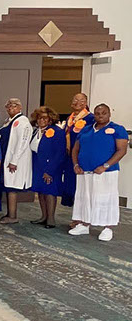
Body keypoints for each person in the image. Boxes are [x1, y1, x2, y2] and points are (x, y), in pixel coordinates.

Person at [69, 104, 127, 241]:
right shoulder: (86, 129)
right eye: (97, 113)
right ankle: (84, 224)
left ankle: (107, 228)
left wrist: (105, 166)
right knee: (85, 198)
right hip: (84, 172)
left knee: (105, 198)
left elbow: (122, 150)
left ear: (109, 114)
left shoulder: (118, 129)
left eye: (104, 113)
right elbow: (75, 149)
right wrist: (76, 164)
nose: (100, 116)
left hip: (105, 172)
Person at [29, 107, 66, 228]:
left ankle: (51, 219)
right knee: (41, 191)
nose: (41, 120)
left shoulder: (57, 131)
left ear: (51, 119)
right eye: (39, 118)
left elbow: (60, 153)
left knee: (50, 191)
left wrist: (49, 171)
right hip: (37, 164)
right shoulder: (36, 131)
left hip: (51, 166)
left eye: (45, 118)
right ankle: (43, 216)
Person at [0, 98, 32, 224]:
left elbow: (23, 142)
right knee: (8, 186)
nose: (11, 108)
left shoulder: (22, 121)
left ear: (20, 108)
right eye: (9, 106)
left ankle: (12, 216)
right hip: (7, 157)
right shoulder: (9, 121)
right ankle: (9, 213)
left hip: (15, 160)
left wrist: (14, 161)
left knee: (12, 187)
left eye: (15, 105)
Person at [61, 93, 94, 217]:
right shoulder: (70, 118)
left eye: (81, 100)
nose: (77, 102)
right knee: (71, 185)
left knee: (82, 187)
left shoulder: (90, 118)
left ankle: (83, 218)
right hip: (69, 156)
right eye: (75, 99)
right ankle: (76, 216)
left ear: (86, 103)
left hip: (81, 156)